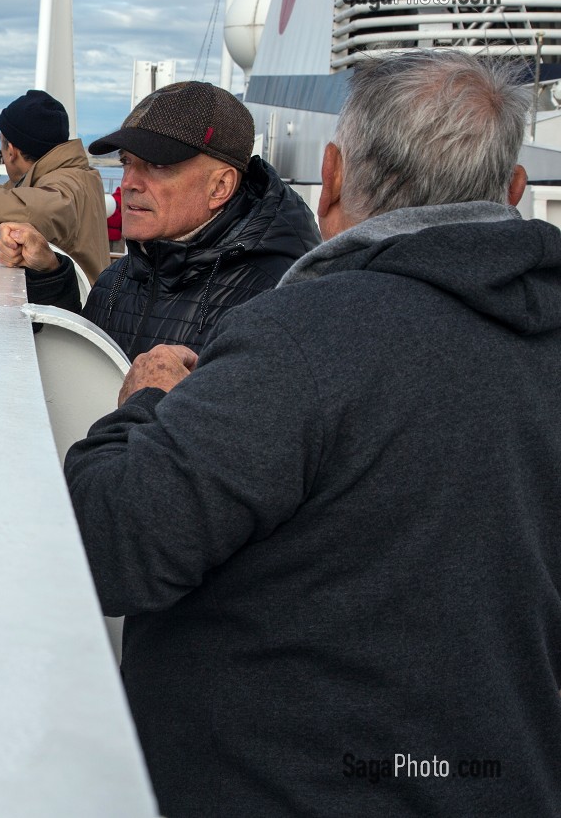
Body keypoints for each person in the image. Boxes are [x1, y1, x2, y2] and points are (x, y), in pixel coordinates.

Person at [61, 49, 561, 815]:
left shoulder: (303, 337)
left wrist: (140, 404)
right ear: (515, 190)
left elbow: (109, 539)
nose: (129, 183)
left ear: (331, 178)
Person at [2, 81, 320, 358]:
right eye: (127, 162)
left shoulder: (277, 300)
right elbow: (90, 374)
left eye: (157, 165)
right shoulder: (121, 278)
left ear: (220, 186)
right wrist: (50, 275)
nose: (128, 183)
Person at [0, 90, 110, 284]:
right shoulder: (79, 175)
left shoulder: (65, 184)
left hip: (80, 311)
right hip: (94, 305)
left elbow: (42, 209)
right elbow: (15, 192)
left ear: (11, 151)